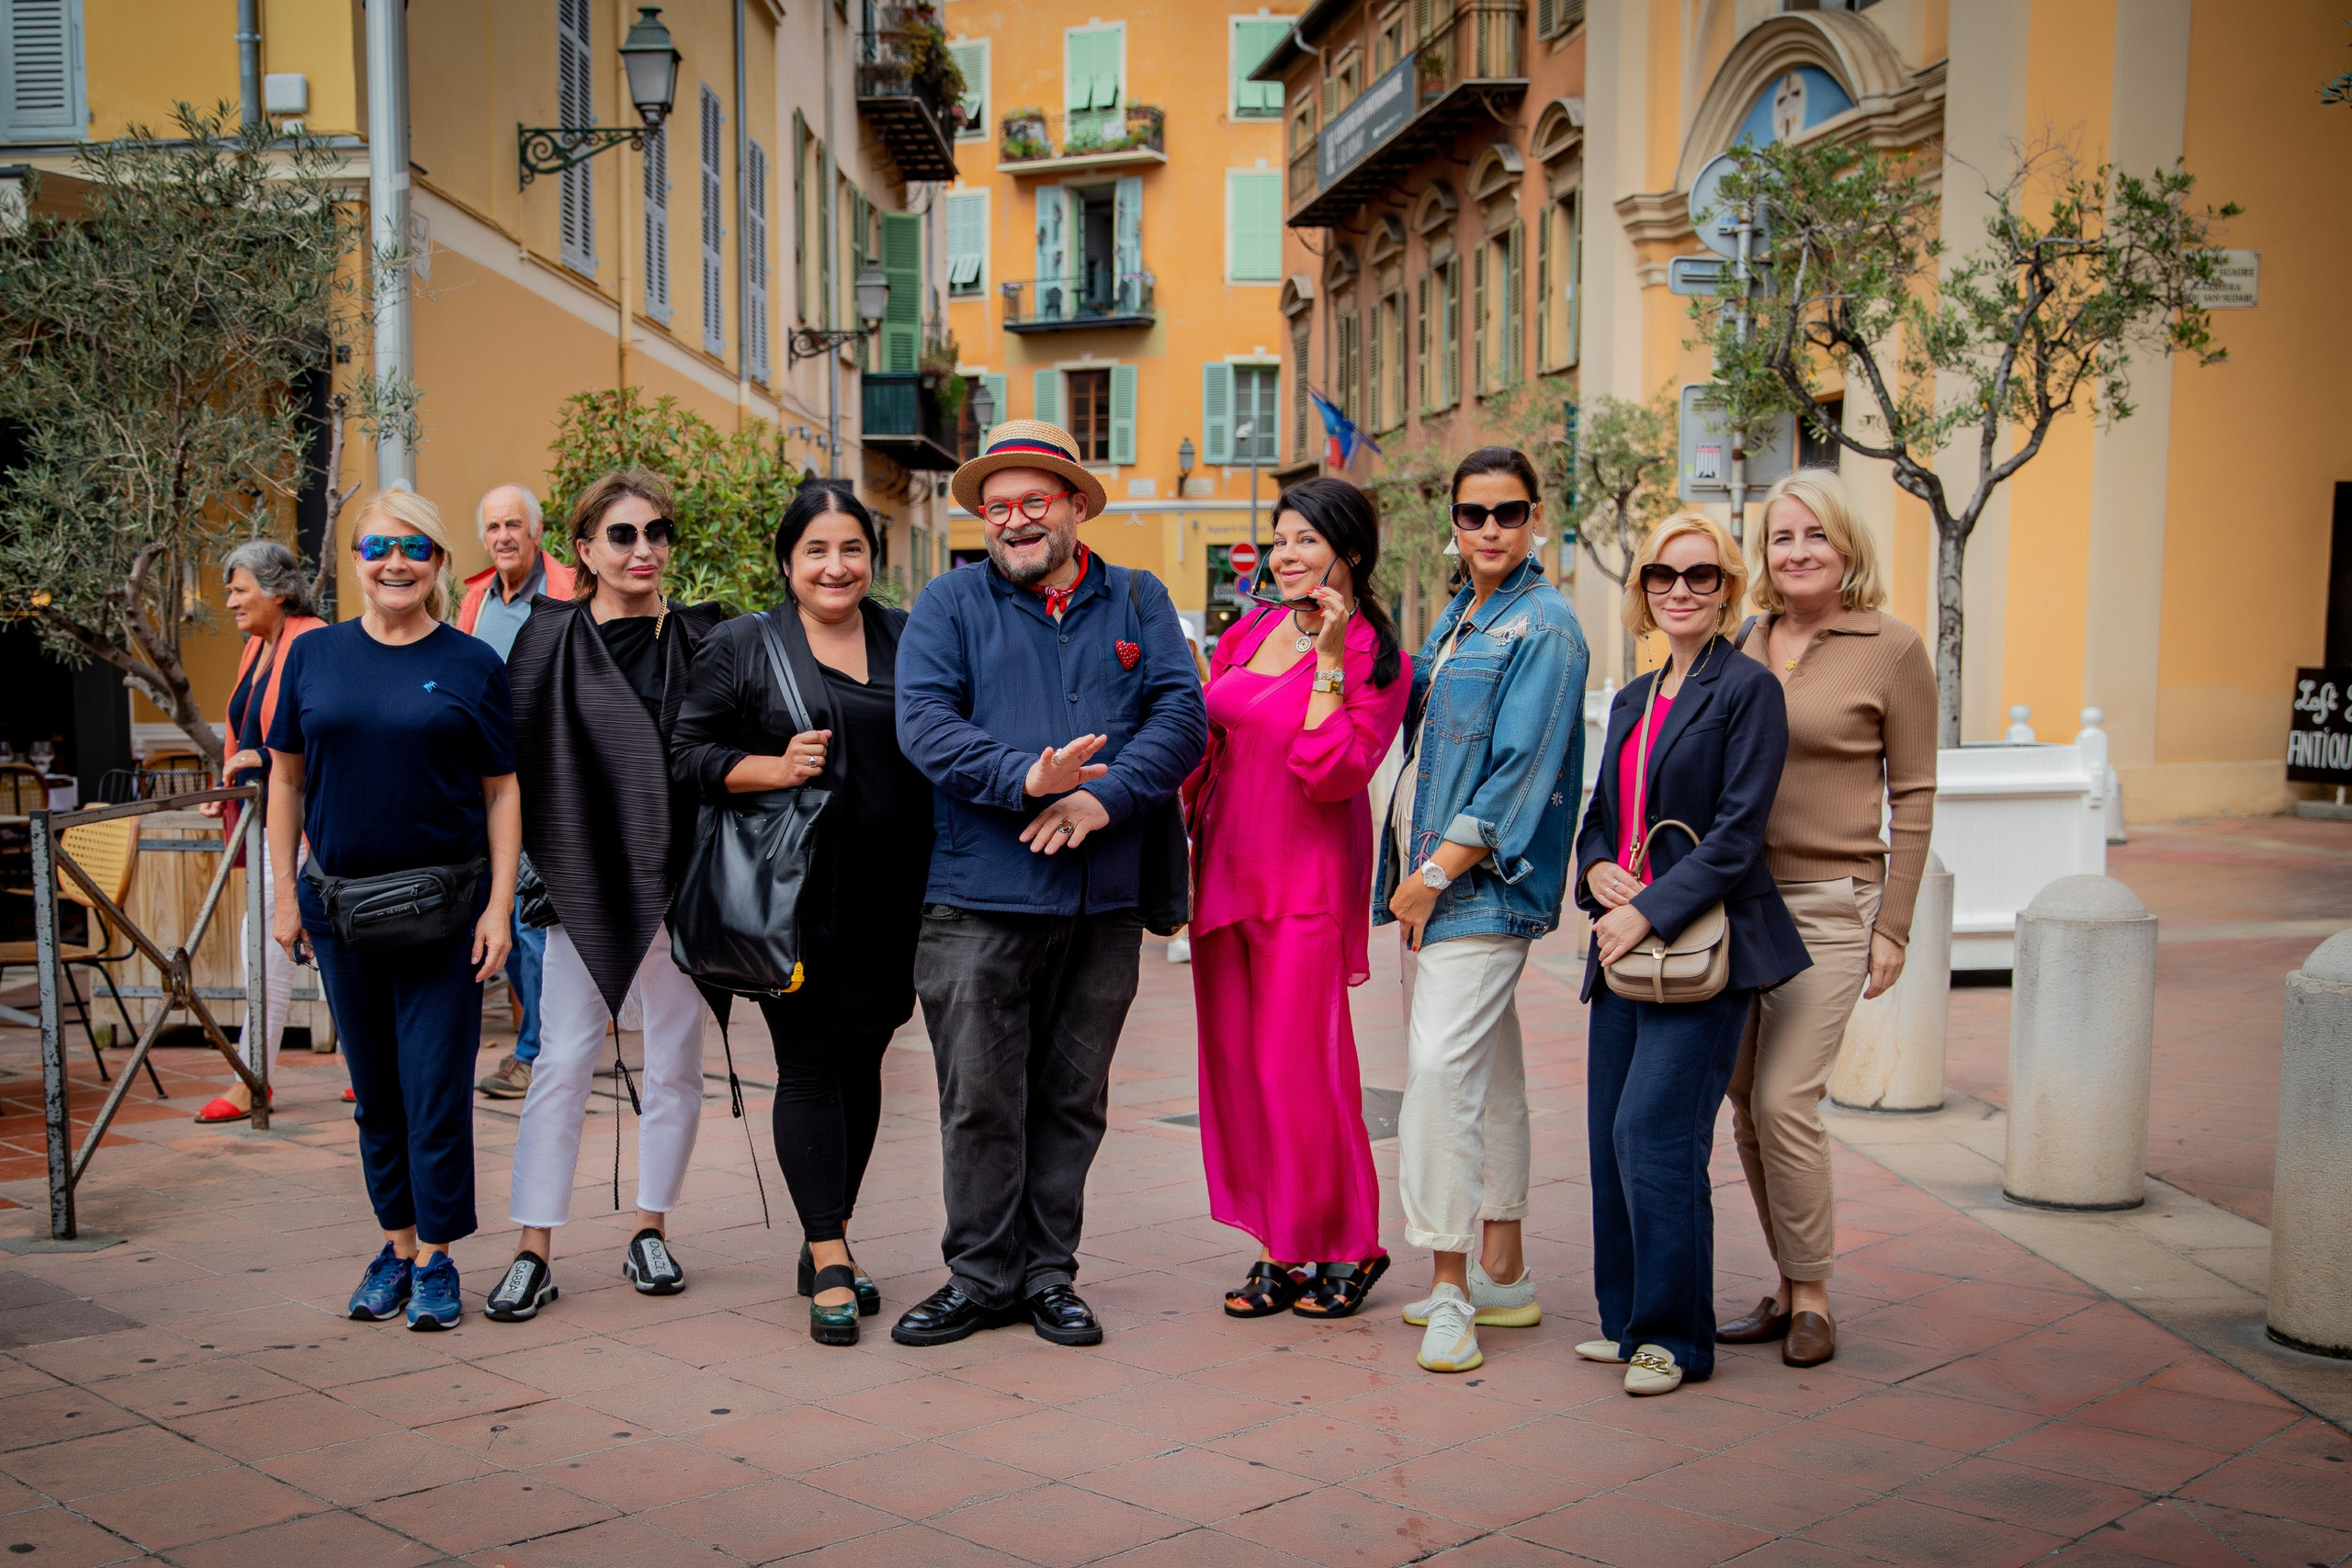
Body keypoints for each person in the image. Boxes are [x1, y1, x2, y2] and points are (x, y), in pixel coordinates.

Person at [891, 420, 1206, 1348]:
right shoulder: (947, 604)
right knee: (980, 1099)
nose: (1015, 521)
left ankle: (1047, 1277)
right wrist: (1028, 780)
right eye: (998, 508)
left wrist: (1104, 806)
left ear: (1074, 506)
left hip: (1100, 895)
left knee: (1071, 1098)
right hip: (977, 900)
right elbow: (924, 724)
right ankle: (979, 1276)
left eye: (1034, 502)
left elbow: (1180, 716)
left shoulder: (1140, 601)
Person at [671, 482, 933, 1347]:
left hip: (897, 896)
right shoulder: (745, 644)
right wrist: (772, 768)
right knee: (812, 1066)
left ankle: (833, 1229)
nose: (835, 566)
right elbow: (687, 756)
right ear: (788, 561)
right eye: (816, 550)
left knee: (864, 1067)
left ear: (871, 558)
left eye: (850, 549)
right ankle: (826, 1253)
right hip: (798, 900)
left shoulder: (906, 634)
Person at [266, 488, 521, 1331]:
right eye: (378, 549)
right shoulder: (313, 657)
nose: (396, 564)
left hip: (443, 912)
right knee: (376, 1092)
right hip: (340, 913)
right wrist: (283, 895)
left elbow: (501, 789)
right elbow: (287, 780)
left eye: (414, 548)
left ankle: (441, 1258)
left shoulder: (470, 663)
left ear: (440, 562)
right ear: (356, 563)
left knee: (435, 1091)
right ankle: (399, 1245)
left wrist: (498, 907)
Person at [1573, 509, 1807, 1394]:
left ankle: (1678, 1335)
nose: (1681, 590)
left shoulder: (1748, 690)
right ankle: (1629, 1320)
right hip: (1621, 944)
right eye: (1664, 576)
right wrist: (1596, 872)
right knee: (1607, 1138)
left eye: (1700, 575)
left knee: (1656, 1136)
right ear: (1641, 591)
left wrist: (1651, 911)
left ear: (1727, 588)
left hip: (1702, 950)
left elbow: (1741, 832)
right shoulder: (1632, 697)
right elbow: (1600, 817)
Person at [487, 469, 727, 1324]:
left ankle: (650, 1228)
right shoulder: (546, 641)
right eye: (622, 535)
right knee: (558, 1063)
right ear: (583, 549)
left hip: (680, 883)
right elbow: (514, 768)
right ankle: (533, 1247)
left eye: (657, 533)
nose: (644, 550)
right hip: (580, 881)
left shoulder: (703, 638)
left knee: (674, 1064)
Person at [1375, 447, 1589, 1373]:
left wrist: (1432, 874)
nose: (1491, 530)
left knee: (1435, 1077)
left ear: (1535, 515)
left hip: (1479, 886)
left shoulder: (1542, 627)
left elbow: (1521, 772)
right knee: (1489, 1073)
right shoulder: (1464, 615)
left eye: (1507, 513)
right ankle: (1503, 1271)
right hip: (1446, 883)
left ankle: (1453, 1285)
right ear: (1453, 523)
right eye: (1473, 514)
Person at [1719, 469, 1936, 1368]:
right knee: (1741, 1099)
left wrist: (1894, 924)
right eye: (1781, 537)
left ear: (1846, 547)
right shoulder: (1743, 639)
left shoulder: (1890, 648)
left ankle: (1812, 1298)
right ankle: (1783, 1280)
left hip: (1826, 903)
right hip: (1734, 903)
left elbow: (1915, 793)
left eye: (1814, 535)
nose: (1797, 552)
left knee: (1785, 1099)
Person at [1188, 478, 1409, 1322]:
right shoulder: (1247, 629)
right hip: (1225, 869)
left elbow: (1333, 772)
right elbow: (1209, 734)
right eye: (1280, 539)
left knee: (1302, 1068)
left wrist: (1323, 663)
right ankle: (1281, 1247)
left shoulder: (1376, 658)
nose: (1286, 555)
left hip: (1304, 881)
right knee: (1242, 1069)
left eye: (1306, 540)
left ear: (1348, 553)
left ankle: (1352, 1242)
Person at [195, 541, 326, 1124]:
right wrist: (226, 783)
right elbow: (243, 726)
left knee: (267, 933)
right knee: (320, 939)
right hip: (264, 815)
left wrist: (263, 763)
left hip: (305, 821)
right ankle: (371, 1068)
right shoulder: (257, 644)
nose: (230, 602)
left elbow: (319, 734)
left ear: (278, 590)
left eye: (239, 589)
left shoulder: (313, 639)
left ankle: (253, 1079)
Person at [462, 485, 575, 1103]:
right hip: (483, 779)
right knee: (497, 913)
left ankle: (537, 1052)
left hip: (545, 781)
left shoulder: (567, 590)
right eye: (493, 526)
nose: (503, 535)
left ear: (536, 533)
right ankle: (542, 1042)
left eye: (514, 524)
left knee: (531, 921)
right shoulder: (475, 599)